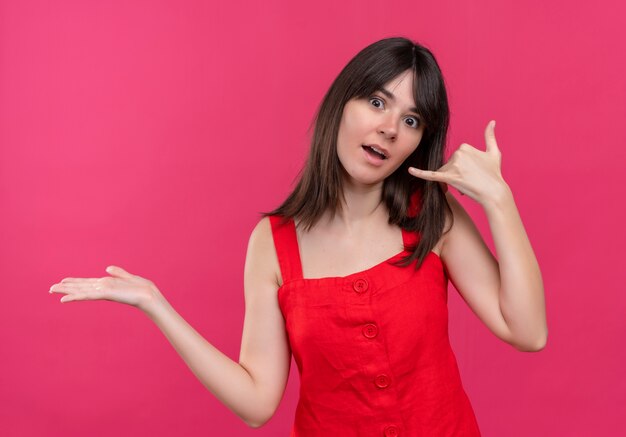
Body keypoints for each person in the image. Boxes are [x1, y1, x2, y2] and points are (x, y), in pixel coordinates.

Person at [49, 37, 547, 436]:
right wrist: (156, 304)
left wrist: (499, 201)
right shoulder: (272, 242)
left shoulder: (433, 216)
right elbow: (256, 404)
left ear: (420, 139)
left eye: (411, 119)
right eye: (377, 101)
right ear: (341, 103)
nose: (390, 127)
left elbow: (528, 333)